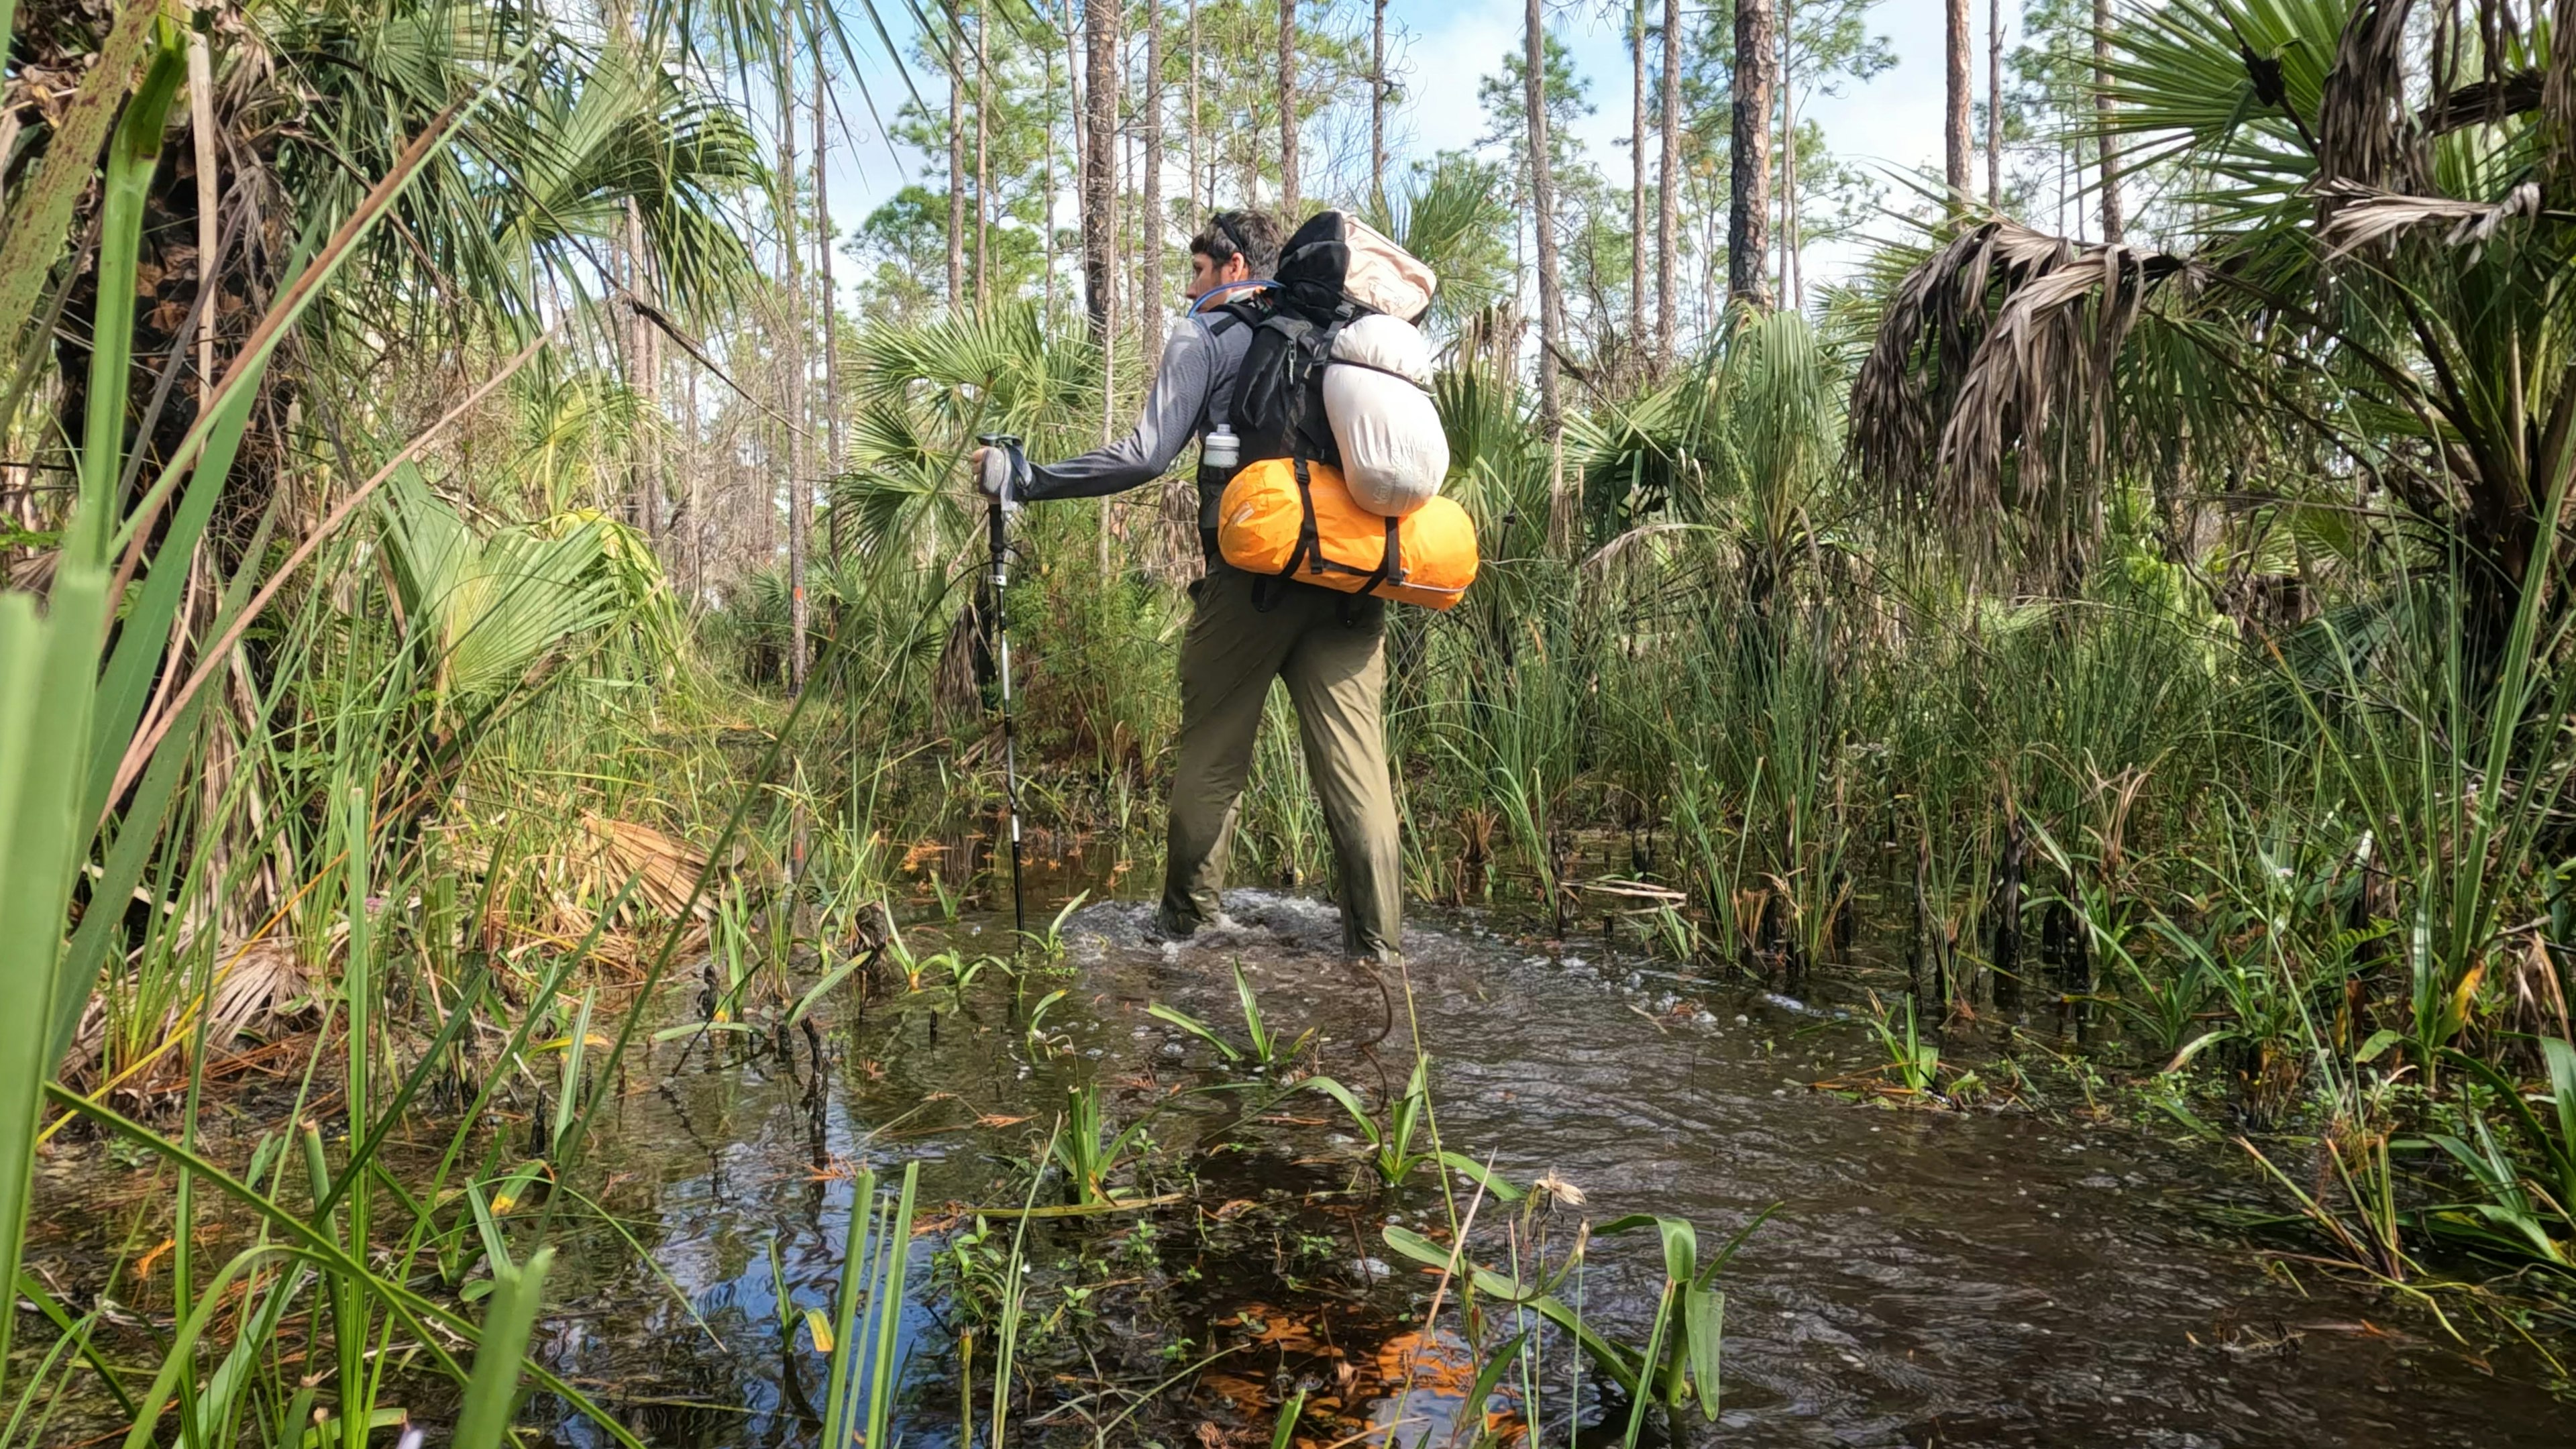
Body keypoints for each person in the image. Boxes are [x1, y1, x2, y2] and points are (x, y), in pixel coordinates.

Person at [970, 209, 1402, 967]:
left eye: (1197, 268)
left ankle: (1189, 931)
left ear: (1233, 265)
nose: (1191, 283)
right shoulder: (1348, 334)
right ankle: (1381, 948)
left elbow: (1145, 457)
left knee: (1213, 757)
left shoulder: (1209, 332)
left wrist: (1031, 479)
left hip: (1253, 579)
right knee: (1358, 770)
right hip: (1354, 578)